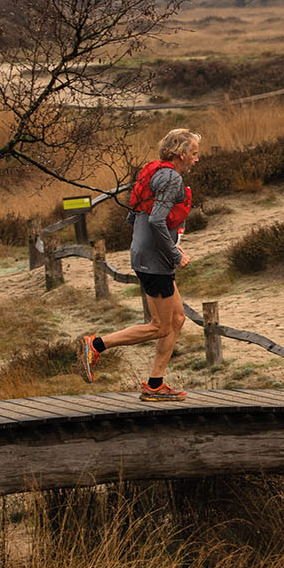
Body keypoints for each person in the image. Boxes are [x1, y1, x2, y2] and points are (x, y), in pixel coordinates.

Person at [77, 128, 201, 402]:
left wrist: (148, 247)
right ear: (181, 154)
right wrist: (174, 253)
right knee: (160, 326)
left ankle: (155, 384)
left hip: (148, 256)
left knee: (177, 319)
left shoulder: (154, 172)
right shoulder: (172, 180)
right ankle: (96, 345)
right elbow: (157, 221)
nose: (196, 159)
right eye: (194, 154)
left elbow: (134, 218)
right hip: (155, 262)